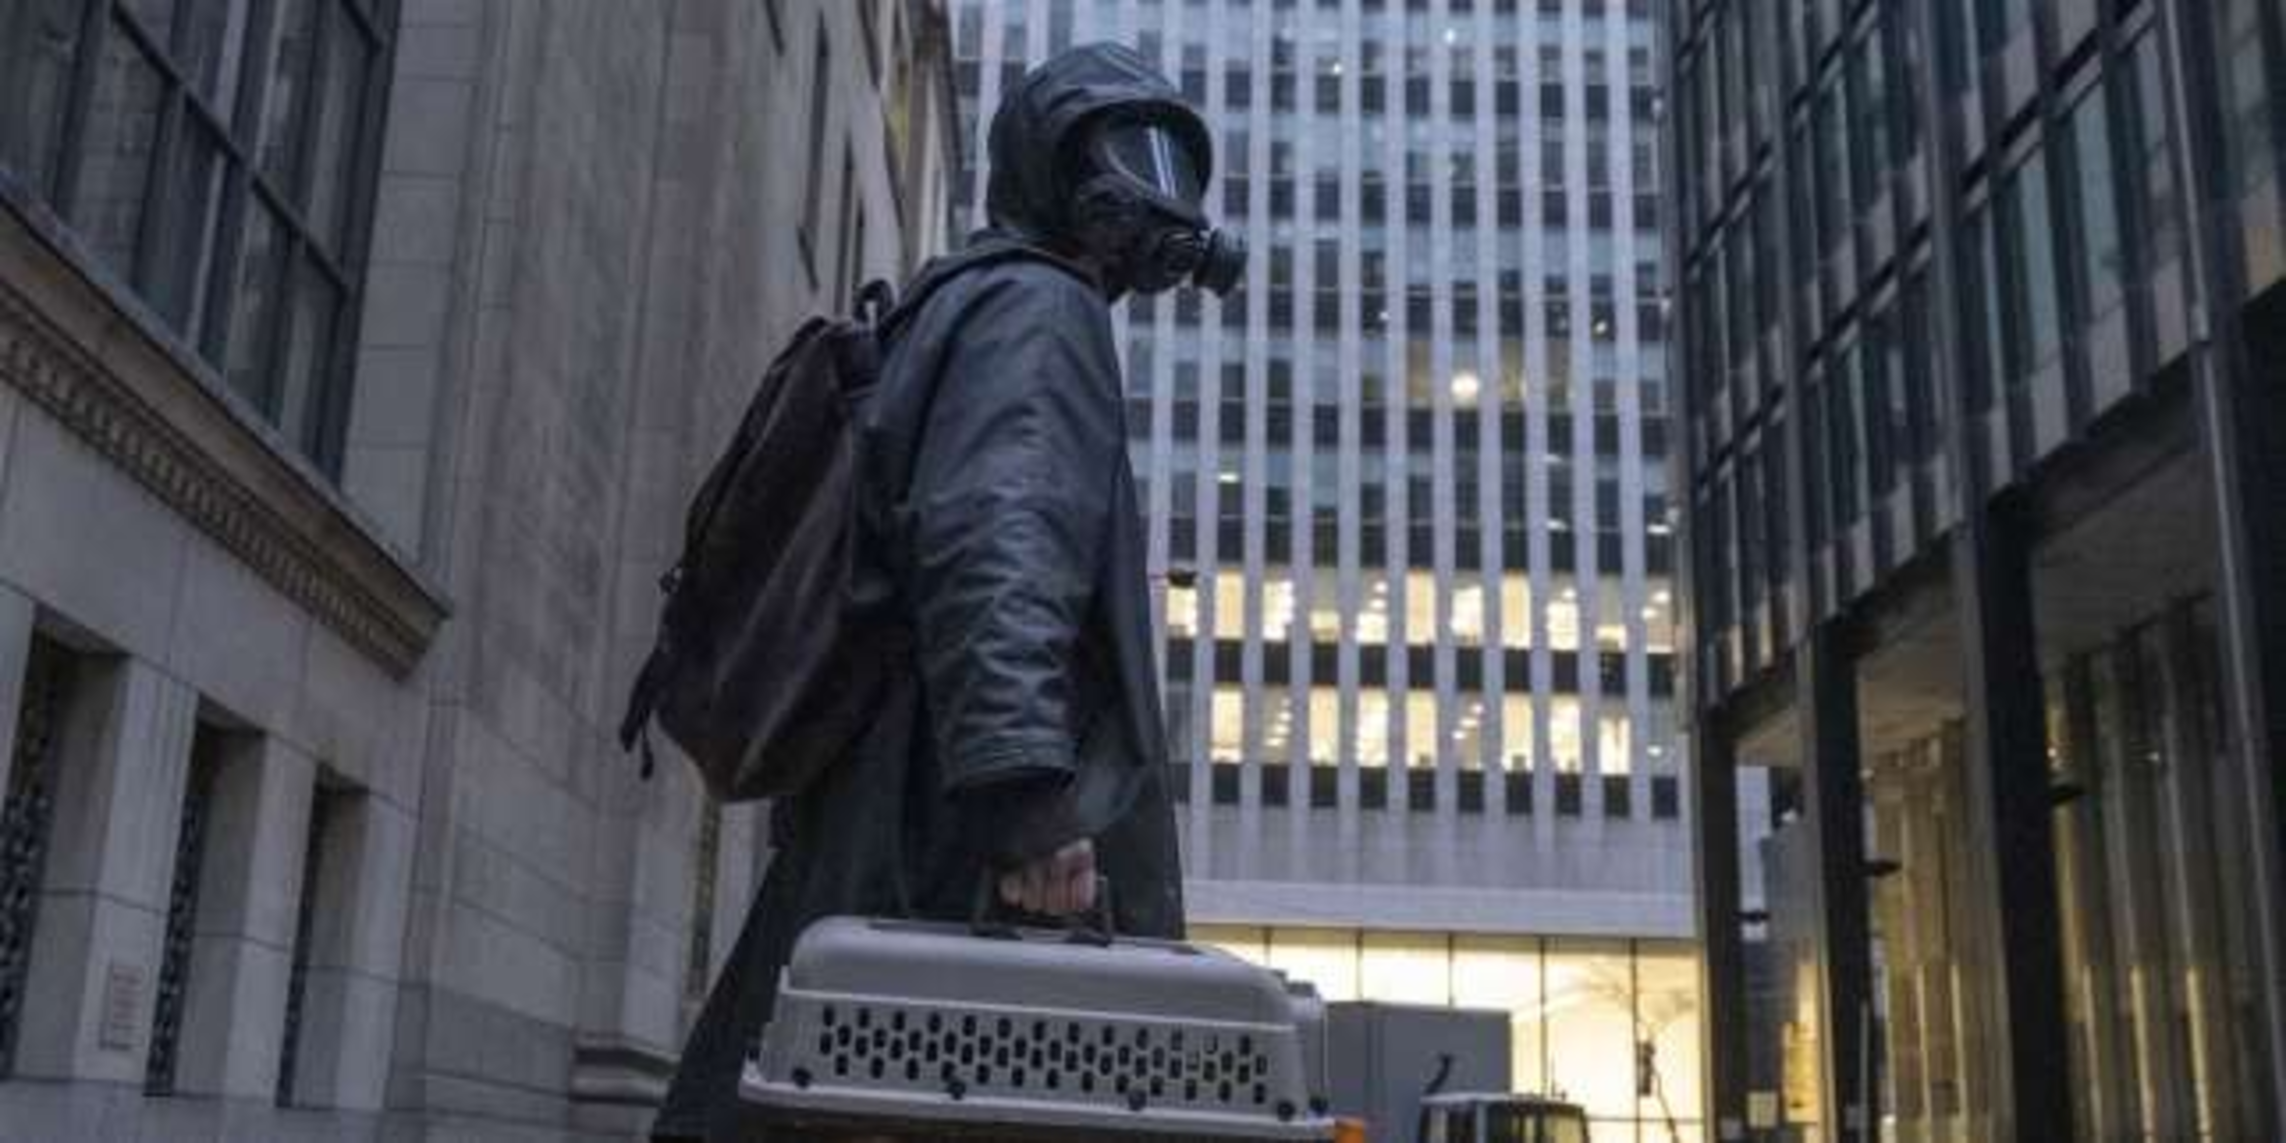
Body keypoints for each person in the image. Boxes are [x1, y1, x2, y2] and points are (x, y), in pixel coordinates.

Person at [650, 42, 1241, 1142]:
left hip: (907, 822)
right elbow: (997, 537)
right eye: (1120, 156)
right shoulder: (1037, 309)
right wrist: (1029, 803)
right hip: (964, 862)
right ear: (1052, 173)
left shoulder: (963, 303)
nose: (1149, 194)